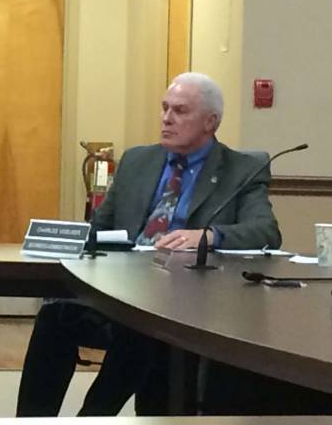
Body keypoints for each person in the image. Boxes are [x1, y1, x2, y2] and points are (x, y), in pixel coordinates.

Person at [16, 72, 282, 417]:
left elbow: (266, 232)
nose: (167, 119)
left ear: (210, 122)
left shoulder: (242, 168)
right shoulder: (137, 161)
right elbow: (100, 229)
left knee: (146, 327)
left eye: (180, 111)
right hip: (121, 290)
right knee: (56, 316)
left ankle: (93, 416)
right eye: (164, 108)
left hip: (187, 305)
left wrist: (210, 236)